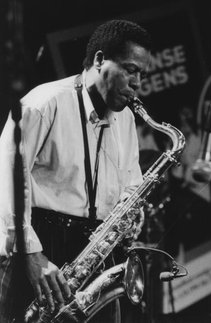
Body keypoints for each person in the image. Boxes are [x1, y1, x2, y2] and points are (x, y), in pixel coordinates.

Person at [0, 19, 151, 323]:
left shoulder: (125, 118)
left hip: (93, 250)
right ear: (99, 60)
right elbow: (5, 180)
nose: (137, 83)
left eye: (141, 74)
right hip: (41, 242)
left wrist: (131, 208)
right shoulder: (43, 103)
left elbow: (130, 180)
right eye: (130, 70)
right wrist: (30, 254)